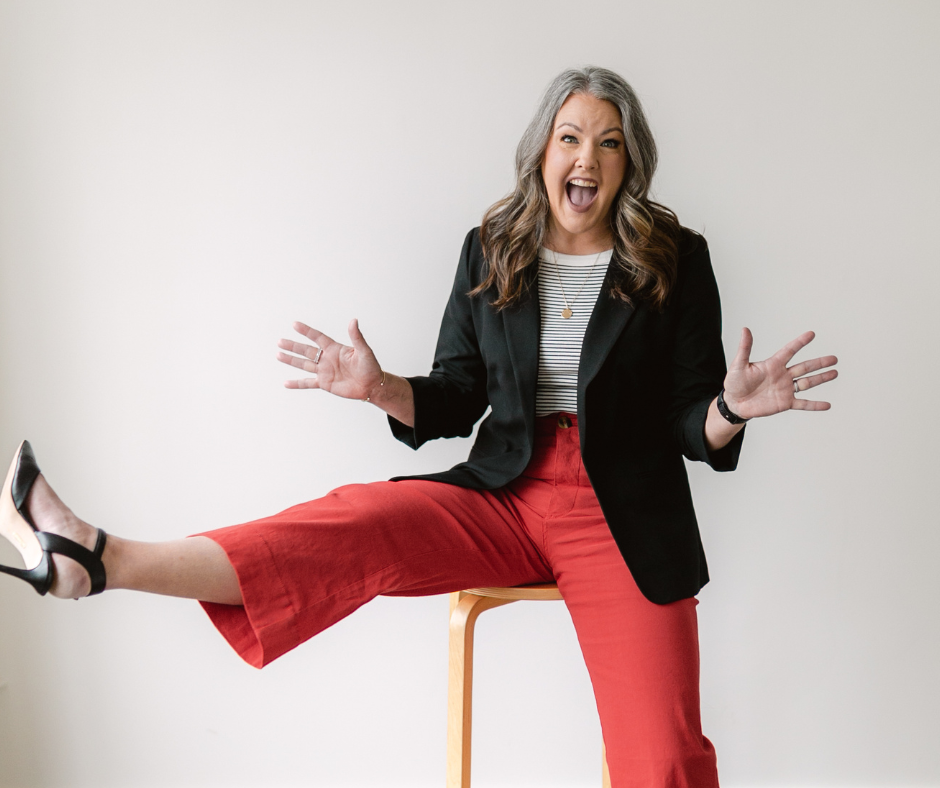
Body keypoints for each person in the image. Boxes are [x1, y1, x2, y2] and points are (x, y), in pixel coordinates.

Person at [0, 66, 837, 787]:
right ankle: (97, 560)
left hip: (622, 516)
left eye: (610, 142)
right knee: (349, 522)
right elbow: (454, 395)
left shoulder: (673, 256)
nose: (588, 157)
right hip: (506, 491)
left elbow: (690, 422)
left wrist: (732, 409)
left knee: (662, 760)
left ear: (630, 162)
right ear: (542, 151)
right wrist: (380, 389)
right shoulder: (493, 248)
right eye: (571, 136)